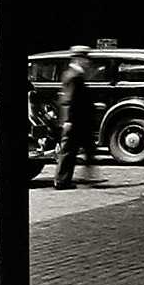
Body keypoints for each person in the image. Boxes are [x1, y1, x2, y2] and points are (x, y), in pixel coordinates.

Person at [52, 45, 99, 189]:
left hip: (79, 119)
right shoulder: (74, 76)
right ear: (78, 59)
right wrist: (68, 120)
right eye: (85, 58)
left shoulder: (76, 75)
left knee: (83, 148)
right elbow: (69, 100)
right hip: (74, 120)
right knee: (68, 152)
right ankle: (61, 181)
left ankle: (83, 173)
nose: (87, 62)